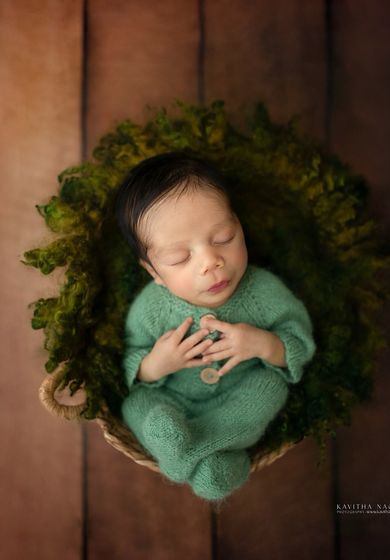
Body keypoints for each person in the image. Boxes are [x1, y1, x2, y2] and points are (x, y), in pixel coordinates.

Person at [115, 151, 316, 502]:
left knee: (269, 388)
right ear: (154, 273)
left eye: (223, 238)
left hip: (239, 394)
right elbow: (129, 360)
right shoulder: (151, 308)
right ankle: (220, 464)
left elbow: (299, 341)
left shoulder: (264, 291)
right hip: (171, 398)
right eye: (180, 258)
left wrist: (263, 344)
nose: (211, 262)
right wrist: (154, 365)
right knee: (139, 406)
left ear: (239, 225)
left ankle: (188, 458)